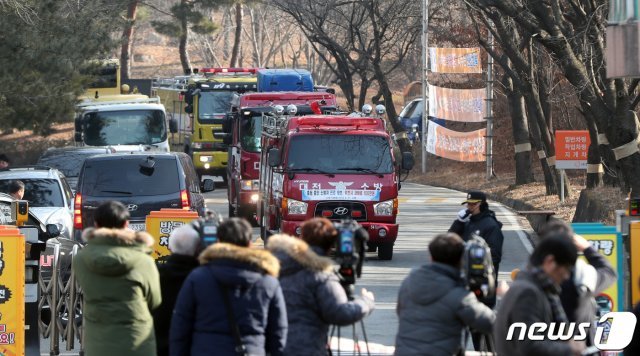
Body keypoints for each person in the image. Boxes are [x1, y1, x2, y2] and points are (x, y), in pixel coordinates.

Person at [170, 218, 287, 356]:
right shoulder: (268, 282)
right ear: (250, 244)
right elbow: (278, 332)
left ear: (218, 242)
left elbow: (180, 327)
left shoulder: (198, 277)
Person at [266, 218, 375, 356]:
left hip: (272, 348)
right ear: (330, 246)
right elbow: (341, 313)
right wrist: (366, 301)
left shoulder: (275, 266)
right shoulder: (320, 277)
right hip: (307, 349)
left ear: (302, 238)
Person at [72, 201, 161, 356]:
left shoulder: (81, 259)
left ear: (96, 224)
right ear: (127, 224)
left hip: (98, 342)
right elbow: (155, 300)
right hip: (137, 340)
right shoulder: (143, 260)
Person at [394, 232, 495, 356]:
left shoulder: (408, 282)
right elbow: (492, 324)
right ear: (461, 260)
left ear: (431, 257)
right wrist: (505, 296)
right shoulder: (460, 296)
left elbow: (400, 312)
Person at [494, 234, 585, 355]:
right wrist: (570, 349)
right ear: (550, 261)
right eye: (566, 269)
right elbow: (530, 347)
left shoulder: (529, 285)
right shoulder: (528, 294)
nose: (566, 276)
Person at [538, 219, 616, 352]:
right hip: (582, 349)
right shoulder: (581, 277)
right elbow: (609, 272)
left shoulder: (531, 281)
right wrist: (587, 248)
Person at [153, 224, 201, 356]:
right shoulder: (202, 277)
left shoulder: (156, 274)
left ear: (170, 247)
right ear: (197, 249)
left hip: (159, 345)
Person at [449, 191, 504, 301]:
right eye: (468, 204)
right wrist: (458, 223)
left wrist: (477, 270)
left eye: (473, 204)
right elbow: (448, 243)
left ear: (481, 204)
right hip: (465, 281)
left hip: (482, 282)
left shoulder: (490, 225)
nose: (470, 207)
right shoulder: (467, 222)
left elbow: (495, 257)